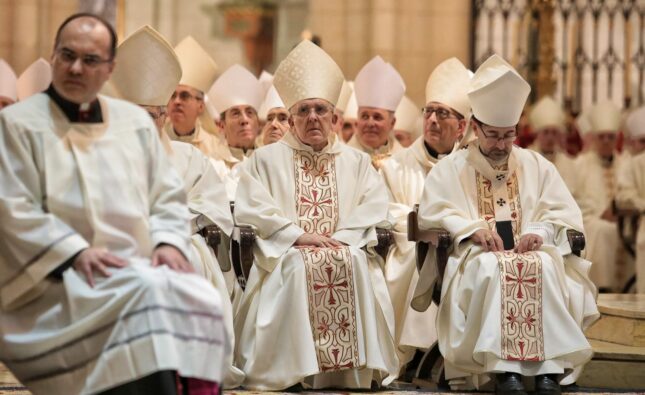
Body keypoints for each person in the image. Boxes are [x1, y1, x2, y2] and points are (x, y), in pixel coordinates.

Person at [0, 14, 229, 395]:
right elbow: (11, 206)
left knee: (198, 295)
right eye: (66, 55)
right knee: (147, 296)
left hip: (131, 265)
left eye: (90, 60)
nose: (75, 67)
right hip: (53, 277)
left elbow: (167, 197)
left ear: (109, 69)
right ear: (54, 57)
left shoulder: (134, 124)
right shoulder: (17, 124)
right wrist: (73, 252)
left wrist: (169, 243)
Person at [411, 54, 598, 395]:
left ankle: (547, 371)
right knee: (490, 269)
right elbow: (432, 212)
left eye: (508, 136)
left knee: (544, 265)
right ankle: (503, 372)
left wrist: (538, 232)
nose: (500, 145)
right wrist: (470, 230)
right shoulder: (450, 169)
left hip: (530, 252)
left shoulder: (536, 165)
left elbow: (563, 213)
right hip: (474, 257)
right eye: (493, 135)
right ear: (475, 128)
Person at [233, 40, 399, 391]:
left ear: (334, 117)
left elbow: (373, 205)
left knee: (351, 261)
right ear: (291, 117)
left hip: (345, 245)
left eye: (320, 110)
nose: (312, 117)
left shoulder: (356, 162)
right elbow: (252, 207)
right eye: (304, 110)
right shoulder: (265, 160)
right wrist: (296, 235)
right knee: (298, 267)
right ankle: (296, 371)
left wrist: (341, 239)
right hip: (287, 253)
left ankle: (350, 372)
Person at [108, 24, 244, 388]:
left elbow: (211, 208)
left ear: (163, 118)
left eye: (150, 115)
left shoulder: (189, 158)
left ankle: (186, 368)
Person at [380, 57, 471, 371]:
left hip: (461, 247)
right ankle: (415, 351)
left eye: (442, 114)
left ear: (461, 126)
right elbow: (388, 211)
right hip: (411, 247)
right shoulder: (395, 166)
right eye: (429, 111)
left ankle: (462, 354)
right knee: (417, 259)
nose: (432, 120)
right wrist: (427, 228)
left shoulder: (471, 168)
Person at [571, 100, 628, 291]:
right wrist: (599, 213)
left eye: (610, 137)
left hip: (626, 222)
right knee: (603, 230)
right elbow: (572, 200)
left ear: (616, 139)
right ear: (594, 138)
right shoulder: (580, 164)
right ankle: (602, 288)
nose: (606, 141)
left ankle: (631, 289)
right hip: (590, 222)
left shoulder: (626, 164)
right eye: (601, 137)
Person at [209, 64, 264, 201]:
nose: (244, 120)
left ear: (258, 124)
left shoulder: (268, 163)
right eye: (235, 114)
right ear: (221, 126)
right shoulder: (211, 167)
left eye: (250, 113)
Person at [164, 36, 221, 158]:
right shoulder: (157, 139)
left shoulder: (215, 148)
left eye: (185, 96)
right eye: (173, 96)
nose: (177, 101)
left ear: (200, 106)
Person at [347, 56, 405, 168]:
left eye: (377, 117)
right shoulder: (343, 159)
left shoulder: (404, 161)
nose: (370, 123)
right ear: (357, 120)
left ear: (392, 123)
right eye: (364, 116)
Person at [527, 96, 576, 188]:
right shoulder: (527, 159)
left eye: (554, 132)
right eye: (546, 132)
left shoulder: (567, 162)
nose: (550, 137)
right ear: (537, 134)